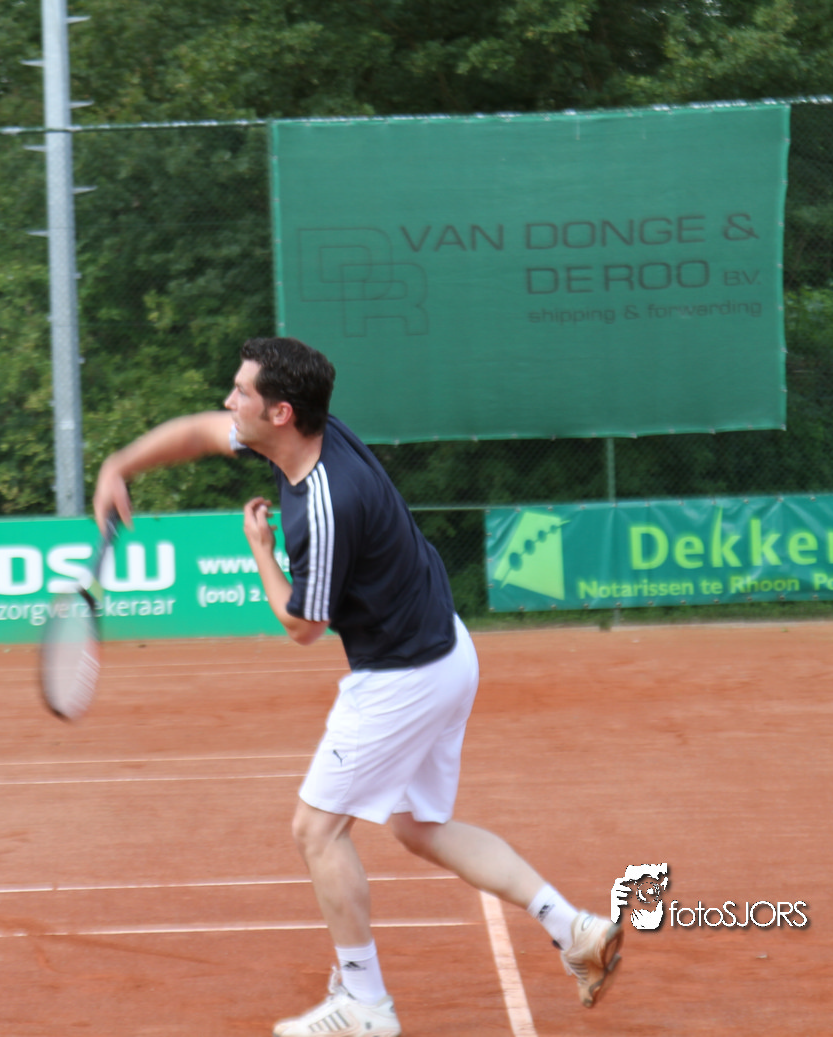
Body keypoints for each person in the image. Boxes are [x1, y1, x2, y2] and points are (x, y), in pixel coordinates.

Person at [91, 337, 622, 1037]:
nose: (228, 401)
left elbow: (302, 625)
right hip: (445, 649)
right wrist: (119, 464)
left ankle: (366, 1004)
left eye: (241, 392)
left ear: (280, 412)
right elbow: (197, 432)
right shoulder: (307, 434)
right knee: (417, 827)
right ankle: (574, 927)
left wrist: (260, 554)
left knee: (316, 830)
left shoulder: (324, 505)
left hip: (403, 676)